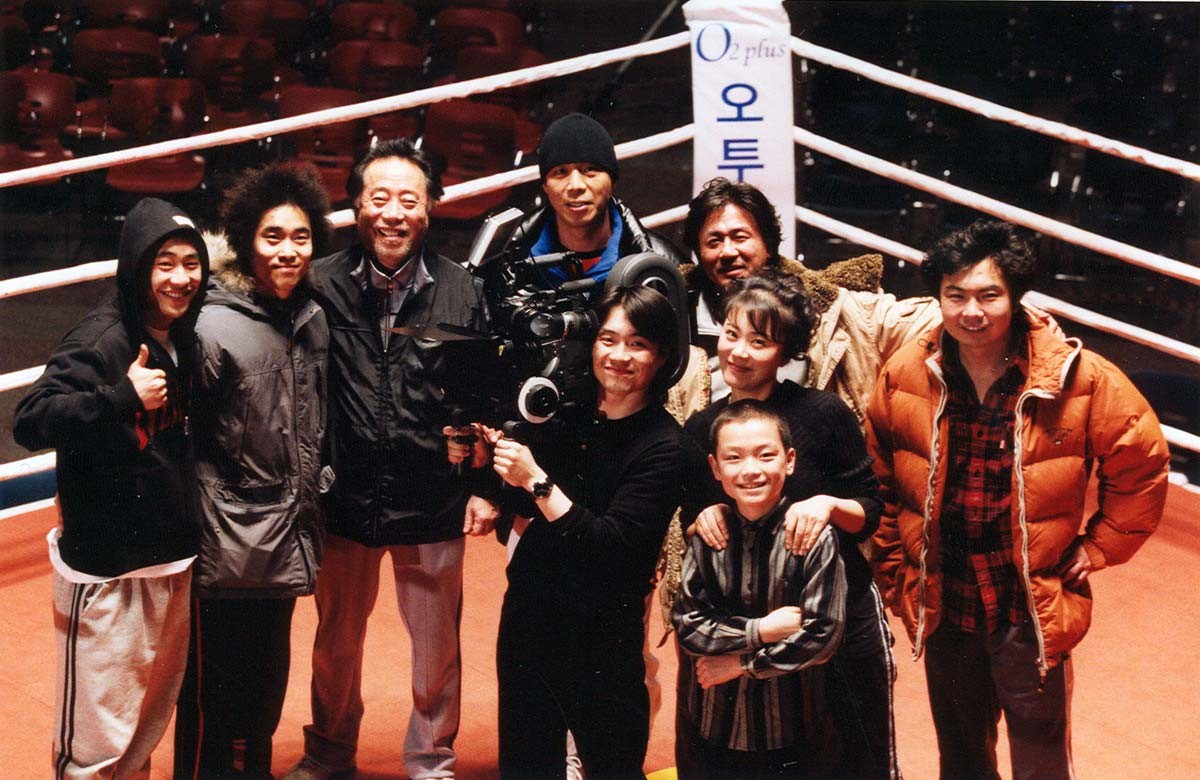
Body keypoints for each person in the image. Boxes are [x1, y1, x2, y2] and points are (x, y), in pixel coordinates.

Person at [866, 219, 1170, 780]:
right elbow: (877, 475)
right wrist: (893, 568)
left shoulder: (1077, 376)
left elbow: (1142, 458)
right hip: (945, 599)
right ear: (938, 297)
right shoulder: (907, 371)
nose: (971, 312)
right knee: (961, 758)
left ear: (1015, 297)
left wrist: (1100, 546)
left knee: (1041, 760)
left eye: (989, 295)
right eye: (955, 295)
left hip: (1028, 601)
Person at [282, 139, 488, 780]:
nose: (393, 213)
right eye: (379, 198)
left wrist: (482, 484)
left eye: (408, 199)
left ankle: (432, 763)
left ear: (430, 209)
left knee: (437, 648)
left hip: (433, 494)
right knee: (335, 642)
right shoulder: (319, 284)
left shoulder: (462, 290)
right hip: (343, 494)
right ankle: (329, 752)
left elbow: (481, 393)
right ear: (355, 207)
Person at [13, 197, 209, 779]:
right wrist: (120, 398)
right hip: (107, 574)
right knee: (95, 749)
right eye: (164, 264)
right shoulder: (102, 339)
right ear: (137, 268)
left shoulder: (182, 335)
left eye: (191, 263)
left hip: (169, 564)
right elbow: (30, 420)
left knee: (141, 735)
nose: (180, 278)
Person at [679, 271, 896, 779]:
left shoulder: (823, 413)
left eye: (759, 341)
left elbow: (870, 512)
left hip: (833, 610)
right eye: (731, 333)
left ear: (786, 352)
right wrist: (701, 518)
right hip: (742, 622)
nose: (738, 352)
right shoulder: (702, 427)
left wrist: (827, 504)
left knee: (855, 752)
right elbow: (694, 523)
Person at [473, 286, 684, 779]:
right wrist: (488, 461)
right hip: (530, 617)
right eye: (608, 339)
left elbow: (611, 548)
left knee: (612, 766)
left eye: (637, 344)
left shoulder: (665, 446)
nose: (618, 356)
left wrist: (535, 478)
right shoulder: (566, 415)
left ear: (661, 356)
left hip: (603, 636)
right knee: (526, 766)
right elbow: (519, 504)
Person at [173, 163, 333, 779]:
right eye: (273, 236)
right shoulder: (212, 326)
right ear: (246, 241)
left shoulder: (311, 318)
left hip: (285, 542)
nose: (288, 250)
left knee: (264, 697)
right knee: (213, 700)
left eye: (300, 236)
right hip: (225, 548)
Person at [673, 400, 847, 779]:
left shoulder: (814, 538)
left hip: (791, 728)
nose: (750, 470)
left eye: (765, 455)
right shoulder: (707, 536)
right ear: (715, 468)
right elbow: (688, 626)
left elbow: (823, 634)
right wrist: (762, 630)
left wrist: (740, 665)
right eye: (733, 458)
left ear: (790, 460)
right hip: (716, 724)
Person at [678, 177, 942, 419]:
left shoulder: (834, 309)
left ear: (768, 245)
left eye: (740, 237)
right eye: (714, 242)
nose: (727, 252)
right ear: (699, 253)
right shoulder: (675, 316)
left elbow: (931, 320)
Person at [501, 111, 685, 287]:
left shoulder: (665, 265)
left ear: (612, 181)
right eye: (560, 172)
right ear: (545, 186)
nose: (575, 185)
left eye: (590, 170)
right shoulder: (507, 262)